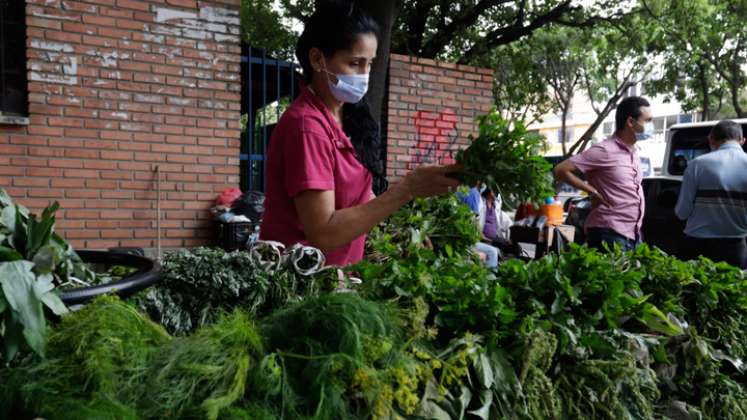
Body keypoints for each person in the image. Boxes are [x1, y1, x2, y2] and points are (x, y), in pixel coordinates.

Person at [260, 3, 460, 266]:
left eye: (370, 64)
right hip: (300, 280)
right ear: (318, 59)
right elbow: (323, 232)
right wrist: (407, 190)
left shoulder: (347, 117)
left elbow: (359, 199)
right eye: (354, 63)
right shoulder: (307, 127)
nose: (364, 75)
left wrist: (402, 230)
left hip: (337, 276)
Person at [553, 96, 652, 252]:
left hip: (632, 234)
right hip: (609, 232)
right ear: (630, 122)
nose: (650, 126)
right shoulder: (605, 150)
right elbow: (560, 170)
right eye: (647, 121)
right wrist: (592, 192)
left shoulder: (634, 153)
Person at [674, 120, 747, 268]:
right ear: (742, 141)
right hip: (735, 248)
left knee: (693, 290)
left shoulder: (697, 164)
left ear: (711, 139)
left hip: (696, 246)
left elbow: (682, 212)